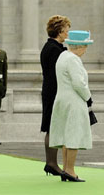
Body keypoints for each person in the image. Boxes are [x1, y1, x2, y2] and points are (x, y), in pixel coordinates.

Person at [49, 30, 94, 182]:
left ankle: (66, 169)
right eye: (85, 46)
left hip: (62, 99)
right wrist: (88, 97)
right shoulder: (74, 59)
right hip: (74, 101)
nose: (86, 50)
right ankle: (70, 170)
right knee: (73, 135)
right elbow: (78, 83)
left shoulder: (63, 56)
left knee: (65, 135)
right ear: (79, 46)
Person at [40, 15, 71, 177]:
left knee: (52, 126)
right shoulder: (54, 49)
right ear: (59, 31)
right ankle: (51, 163)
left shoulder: (52, 47)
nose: (67, 33)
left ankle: (51, 163)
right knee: (52, 126)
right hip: (54, 92)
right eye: (66, 30)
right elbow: (57, 74)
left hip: (51, 90)